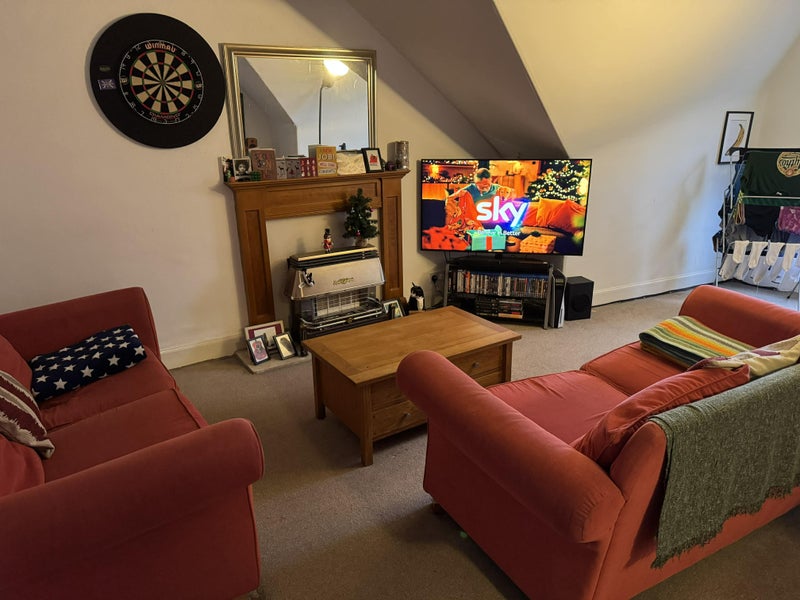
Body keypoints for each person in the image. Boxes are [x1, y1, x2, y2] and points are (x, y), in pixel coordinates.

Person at [444, 167, 514, 236]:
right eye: (481, 185)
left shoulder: (499, 189)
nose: (484, 187)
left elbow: (510, 196)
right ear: (476, 183)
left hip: (493, 223)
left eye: (487, 184)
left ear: (491, 180)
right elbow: (449, 199)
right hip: (475, 223)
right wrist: (457, 194)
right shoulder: (469, 189)